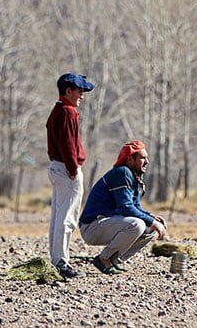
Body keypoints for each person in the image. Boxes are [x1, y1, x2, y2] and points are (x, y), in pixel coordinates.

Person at [78, 140, 167, 274]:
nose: (147, 161)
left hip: (107, 223)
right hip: (92, 227)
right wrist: (152, 222)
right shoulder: (122, 173)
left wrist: (151, 217)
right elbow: (125, 208)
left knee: (150, 228)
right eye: (143, 158)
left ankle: (114, 260)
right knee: (137, 224)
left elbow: (135, 206)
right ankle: (104, 258)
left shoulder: (134, 177)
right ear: (130, 159)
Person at [46, 72, 95, 279]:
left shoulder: (57, 110)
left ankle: (57, 258)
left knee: (58, 215)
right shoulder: (68, 112)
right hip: (67, 169)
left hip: (56, 167)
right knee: (67, 217)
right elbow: (68, 143)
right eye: (79, 91)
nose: (82, 96)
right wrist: (74, 168)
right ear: (68, 91)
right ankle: (61, 263)